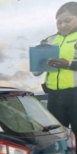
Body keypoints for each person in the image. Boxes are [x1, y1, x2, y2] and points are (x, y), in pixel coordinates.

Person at [36, 2, 77, 138]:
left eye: (68, 20)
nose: (63, 25)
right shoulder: (49, 40)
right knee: (57, 135)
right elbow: (36, 71)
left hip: (75, 95)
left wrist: (69, 64)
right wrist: (37, 58)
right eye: (59, 22)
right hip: (54, 96)